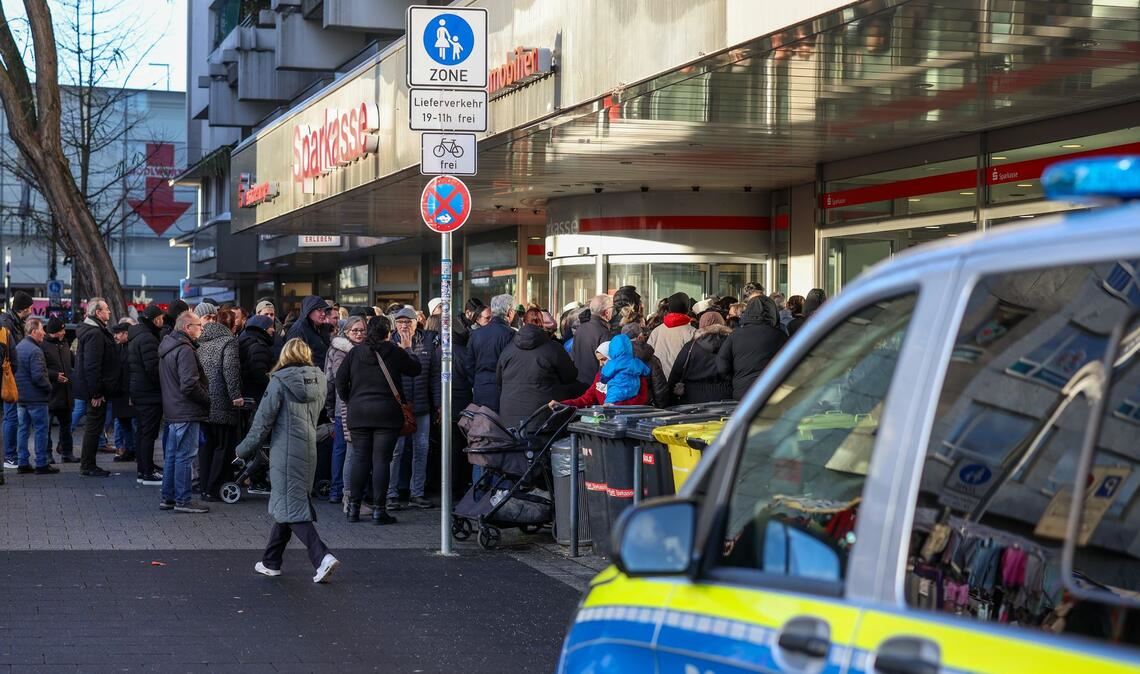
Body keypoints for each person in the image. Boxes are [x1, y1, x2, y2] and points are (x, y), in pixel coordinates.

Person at [236, 338, 339, 583]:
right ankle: (271, 561)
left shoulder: (278, 382)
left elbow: (262, 423)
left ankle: (322, 556)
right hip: (308, 449)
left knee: (292, 507)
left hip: (285, 451)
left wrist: (242, 450)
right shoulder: (320, 379)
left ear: (284, 355)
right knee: (288, 502)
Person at [335, 315, 421, 524]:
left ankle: (353, 508)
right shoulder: (394, 351)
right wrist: (409, 347)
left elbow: (339, 381)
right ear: (388, 333)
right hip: (386, 413)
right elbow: (415, 370)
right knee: (382, 460)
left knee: (360, 459)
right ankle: (378, 511)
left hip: (359, 413)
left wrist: (351, 399)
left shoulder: (355, 353)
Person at [157, 312, 210, 513]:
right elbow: (189, 385)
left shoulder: (168, 347)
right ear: (187, 327)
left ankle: (168, 498)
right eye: (198, 325)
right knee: (185, 457)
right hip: (185, 410)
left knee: (172, 456)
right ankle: (183, 500)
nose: (202, 328)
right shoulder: (185, 350)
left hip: (173, 409)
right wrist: (207, 398)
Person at [388, 306, 439, 511]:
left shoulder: (427, 342)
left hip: (422, 406)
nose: (404, 326)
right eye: (400, 322)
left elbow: (435, 375)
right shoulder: (389, 343)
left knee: (421, 449)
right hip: (397, 408)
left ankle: (416, 493)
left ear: (416, 322)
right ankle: (391, 494)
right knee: (396, 451)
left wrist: (438, 404)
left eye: (407, 322)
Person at [496, 308, 577, 429]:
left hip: (510, 418)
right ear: (542, 324)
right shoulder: (553, 348)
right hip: (543, 419)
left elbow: (498, 381)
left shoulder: (508, 350)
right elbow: (571, 375)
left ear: (523, 323)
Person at [196, 308, 243, 502]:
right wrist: (236, 395)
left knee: (206, 448)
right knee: (222, 447)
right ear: (232, 326)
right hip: (222, 402)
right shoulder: (229, 342)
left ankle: (205, 486)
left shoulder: (201, 341)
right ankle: (215, 488)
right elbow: (230, 371)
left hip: (204, 401)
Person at [73, 297, 121, 478]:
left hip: (94, 389)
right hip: (95, 392)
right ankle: (88, 465)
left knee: (94, 427)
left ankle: (88, 464)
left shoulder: (94, 330)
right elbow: (92, 366)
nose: (109, 312)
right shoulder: (94, 333)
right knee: (94, 427)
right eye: (106, 309)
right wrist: (96, 392)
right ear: (98, 313)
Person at [325, 315, 366, 505]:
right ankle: (339, 491)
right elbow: (336, 382)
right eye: (355, 330)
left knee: (345, 450)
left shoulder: (363, 349)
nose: (359, 334)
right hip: (344, 408)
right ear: (347, 332)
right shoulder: (341, 351)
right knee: (343, 450)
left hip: (356, 407)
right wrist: (330, 407)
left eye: (362, 330)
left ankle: (343, 490)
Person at [717, 295, 788, 400]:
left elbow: (722, 365)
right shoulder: (781, 336)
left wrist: (737, 378)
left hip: (743, 392)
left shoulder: (735, 335)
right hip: (772, 392)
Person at [555, 335, 649, 409]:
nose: (600, 364)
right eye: (599, 360)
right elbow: (586, 399)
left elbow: (641, 401)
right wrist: (563, 404)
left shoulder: (636, 375)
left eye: (603, 359)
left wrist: (614, 406)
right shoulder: (600, 377)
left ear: (612, 357)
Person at [14, 317, 57, 474]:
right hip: (36, 398)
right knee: (41, 430)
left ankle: (22, 462)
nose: (44, 333)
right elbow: (38, 376)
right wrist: (49, 387)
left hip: (21, 397)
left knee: (23, 429)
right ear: (34, 331)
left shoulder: (19, 347)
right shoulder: (36, 351)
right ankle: (41, 463)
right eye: (41, 330)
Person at [127, 304, 164, 484]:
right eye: (161, 318)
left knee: (143, 432)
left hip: (140, 392)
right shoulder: (148, 338)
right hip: (149, 393)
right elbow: (153, 368)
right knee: (148, 433)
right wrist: (163, 385)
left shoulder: (137, 335)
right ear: (155, 319)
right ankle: (147, 471)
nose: (162, 321)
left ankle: (145, 467)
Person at [667, 311, 733, 405]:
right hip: (726, 397)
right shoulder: (733, 345)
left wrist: (670, 400)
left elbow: (676, 374)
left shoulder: (691, 347)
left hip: (692, 398)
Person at [465, 294, 516, 412]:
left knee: (482, 426)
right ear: (509, 312)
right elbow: (512, 365)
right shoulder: (510, 334)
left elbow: (468, 364)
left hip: (480, 388)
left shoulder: (476, 334)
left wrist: (477, 381)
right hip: (502, 390)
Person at [1, 290, 33, 468]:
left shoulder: (12, 321)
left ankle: (9, 455)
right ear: (25, 309)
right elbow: (10, 351)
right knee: (11, 417)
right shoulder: (8, 323)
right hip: (7, 377)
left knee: (11, 417)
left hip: (9, 375)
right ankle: (9, 456)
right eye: (30, 308)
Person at [42, 317, 76, 464]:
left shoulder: (64, 343)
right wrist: (55, 376)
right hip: (51, 393)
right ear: (53, 332)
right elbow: (41, 368)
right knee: (46, 428)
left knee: (66, 426)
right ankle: (47, 455)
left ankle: (67, 453)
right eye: (61, 330)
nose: (64, 332)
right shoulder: (43, 346)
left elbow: (71, 362)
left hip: (66, 392)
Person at [570, 294, 613, 394]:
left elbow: (574, 357)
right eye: (612, 308)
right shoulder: (604, 332)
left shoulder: (580, 329)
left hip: (580, 383)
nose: (613, 311)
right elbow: (606, 365)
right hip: (595, 387)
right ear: (606, 312)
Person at [621, 323, 670, 408]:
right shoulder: (651, 360)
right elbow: (659, 389)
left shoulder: (613, 356)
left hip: (619, 406)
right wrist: (662, 408)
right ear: (640, 336)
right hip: (645, 407)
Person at [647, 292, 696, 377]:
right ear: (688, 309)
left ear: (669, 308)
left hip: (659, 381)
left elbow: (647, 356)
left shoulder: (656, 331)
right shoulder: (693, 332)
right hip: (681, 383)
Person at [109, 322, 137, 462]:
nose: (115, 336)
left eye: (118, 333)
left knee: (135, 424)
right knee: (124, 422)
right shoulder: (119, 348)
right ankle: (130, 449)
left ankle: (136, 450)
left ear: (126, 333)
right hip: (120, 392)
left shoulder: (133, 347)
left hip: (130, 391)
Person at [286, 295, 332, 376]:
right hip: (309, 379)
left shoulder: (320, 328)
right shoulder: (298, 330)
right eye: (319, 310)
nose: (323, 314)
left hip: (320, 378)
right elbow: (294, 361)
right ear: (309, 310)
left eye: (324, 310)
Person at [239, 315, 276, 403]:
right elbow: (259, 372)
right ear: (263, 328)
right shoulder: (259, 346)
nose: (273, 330)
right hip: (258, 395)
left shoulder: (246, 340)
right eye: (270, 327)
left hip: (247, 392)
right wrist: (273, 385)